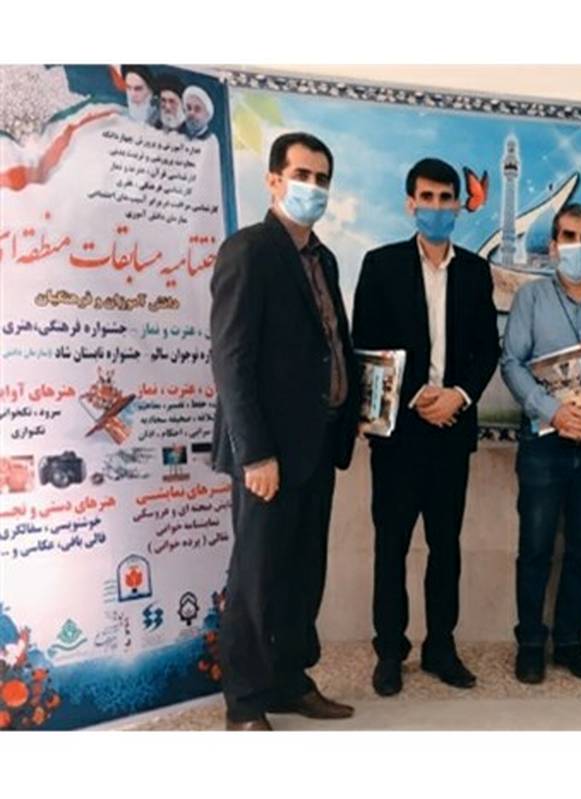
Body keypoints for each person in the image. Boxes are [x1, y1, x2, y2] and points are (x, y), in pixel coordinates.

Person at [210, 132, 359, 731]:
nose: (312, 188)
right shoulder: (249, 251)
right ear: (274, 180)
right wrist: (256, 454)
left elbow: (329, 344)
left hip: (317, 446)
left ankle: (290, 680)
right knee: (256, 578)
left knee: (302, 574)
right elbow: (231, 360)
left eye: (322, 179)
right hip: (268, 455)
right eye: (302, 175)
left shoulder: (324, 259)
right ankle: (245, 702)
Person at [353, 157, 501, 696]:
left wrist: (458, 395)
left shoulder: (475, 271)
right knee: (391, 547)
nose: (437, 207)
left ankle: (441, 646)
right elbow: (365, 342)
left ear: (459, 205)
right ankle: (390, 651)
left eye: (446, 198)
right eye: (427, 197)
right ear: (410, 203)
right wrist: (417, 394)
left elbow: (487, 349)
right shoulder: (381, 265)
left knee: (446, 547)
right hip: (399, 433)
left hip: (451, 431)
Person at [500, 203, 581, 684]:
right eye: (569, 237)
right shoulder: (531, 298)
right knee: (535, 547)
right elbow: (512, 363)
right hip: (544, 442)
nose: (578, 246)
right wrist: (552, 411)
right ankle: (531, 643)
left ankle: (571, 642)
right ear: (554, 246)